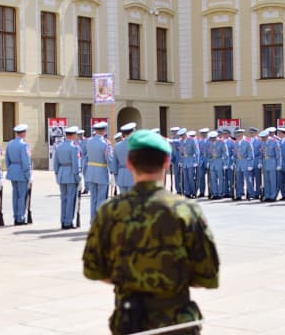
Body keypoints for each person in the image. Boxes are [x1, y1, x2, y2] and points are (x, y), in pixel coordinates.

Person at [82, 130, 220, 335]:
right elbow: (208, 275)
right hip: (176, 321)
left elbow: (93, 269)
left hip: (131, 320)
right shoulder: (186, 210)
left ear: (129, 163)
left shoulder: (110, 211)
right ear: (166, 162)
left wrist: (131, 279)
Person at [54, 126, 82, 229]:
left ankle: (63, 220)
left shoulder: (59, 146)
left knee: (64, 199)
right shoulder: (74, 148)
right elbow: (75, 165)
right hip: (71, 175)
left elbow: (55, 163)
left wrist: (57, 174)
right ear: (73, 135)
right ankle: (68, 222)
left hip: (61, 174)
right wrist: (79, 178)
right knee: (70, 199)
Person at [85, 121, 113, 222]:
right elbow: (109, 159)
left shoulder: (89, 141)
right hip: (101, 172)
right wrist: (114, 170)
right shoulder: (105, 144)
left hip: (90, 172)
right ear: (104, 131)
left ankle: (93, 220)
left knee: (93, 199)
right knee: (101, 199)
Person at [5, 124, 32, 226]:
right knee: (22, 196)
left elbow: (7, 160)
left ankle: (15, 216)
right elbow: (26, 162)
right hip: (21, 171)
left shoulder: (10, 144)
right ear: (23, 133)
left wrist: (10, 169)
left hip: (13, 170)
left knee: (15, 195)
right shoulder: (24, 145)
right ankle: (20, 217)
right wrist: (28, 174)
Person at [111, 123, 137, 194]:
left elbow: (114, 164)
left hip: (121, 176)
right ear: (133, 131)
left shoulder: (117, 146)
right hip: (133, 176)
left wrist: (117, 178)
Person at [258, 129, 281, 202]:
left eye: (264, 137)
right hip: (265, 162)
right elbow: (260, 154)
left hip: (272, 162)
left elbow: (278, 154)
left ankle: (273, 196)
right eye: (262, 137)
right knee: (266, 181)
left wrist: (278, 164)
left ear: (267, 136)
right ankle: (267, 195)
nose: (262, 139)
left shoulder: (274, 142)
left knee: (272, 180)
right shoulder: (262, 143)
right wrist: (260, 162)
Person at [232, 128, 254, 200]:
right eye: (236, 135)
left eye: (238, 135)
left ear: (242, 135)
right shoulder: (235, 143)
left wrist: (250, 165)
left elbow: (251, 154)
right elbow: (234, 154)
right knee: (238, 180)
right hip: (238, 163)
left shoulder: (247, 142)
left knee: (248, 180)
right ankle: (239, 194)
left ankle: (251, 194)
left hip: (245, 162)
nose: (237, 137)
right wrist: (234, 162)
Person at [206, 130, 228, 200]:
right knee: (213, 179)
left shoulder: (221, 142)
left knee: (221, 178)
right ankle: (214, 193)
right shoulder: (210, 143)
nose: (212, 139)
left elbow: (225, 153)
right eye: (211, 138)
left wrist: (225, 163)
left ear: (216, 137)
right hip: (213, 162)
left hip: (219, 161)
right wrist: (208, 161)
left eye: (213, 138)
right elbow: (208, 153)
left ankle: (220, 193)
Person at [248, 127, 262, 198]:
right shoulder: (248, 140)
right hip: (249, 161)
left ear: (256, 133)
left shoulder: (259, 141)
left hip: (256, 160)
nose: (251, 134)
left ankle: (257, 193)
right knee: (250, 178)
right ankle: (251, 193)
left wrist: (260, 162)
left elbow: (260, 152)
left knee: (257, 178)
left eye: (253, 133)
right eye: (250, 133)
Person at [196, 128, 210, 198]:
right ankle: (202, 192)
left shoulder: (210, 141)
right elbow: (198, 152)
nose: (203, 135)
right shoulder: (199, 142)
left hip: (208, 161)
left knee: (211, 178)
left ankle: (211, 192)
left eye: (205, 133)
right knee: (201, 177)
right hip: (201, 162)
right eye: (202, 133)